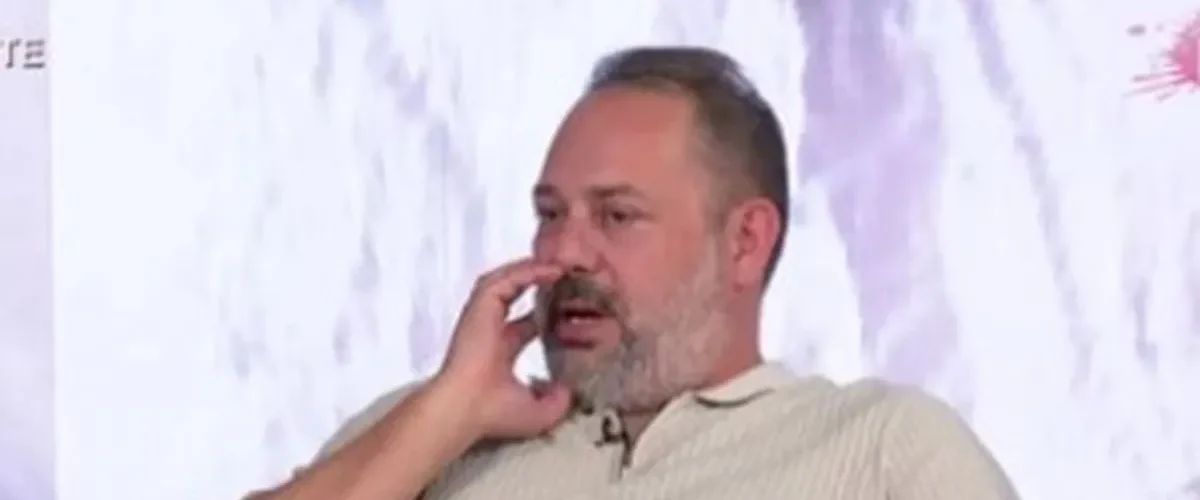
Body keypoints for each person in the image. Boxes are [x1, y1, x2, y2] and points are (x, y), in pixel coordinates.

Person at [248, 46, 1020, 500]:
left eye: (616, 216)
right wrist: (444, 415)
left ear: (745, 242)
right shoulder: (433, 434)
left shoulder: (880, 447)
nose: (564, 254)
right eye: (551, 213)